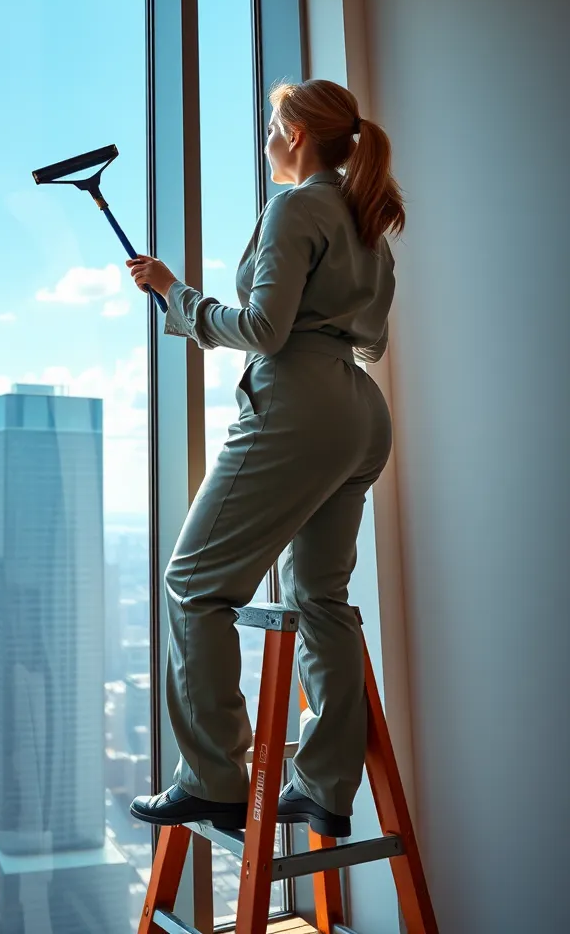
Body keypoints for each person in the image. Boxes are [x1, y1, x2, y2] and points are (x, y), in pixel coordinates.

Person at [126, 78, 404, 837]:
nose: (265, 139)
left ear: (295, 134)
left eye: (270, 125)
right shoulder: (362, 215)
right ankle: (324, 788)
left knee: (192, 584)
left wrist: (178, 299)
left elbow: (264, 328)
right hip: (358, 408)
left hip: (298, 408)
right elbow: (370, 335)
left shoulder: (297, 205)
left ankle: (215, 778)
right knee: (322, 598)